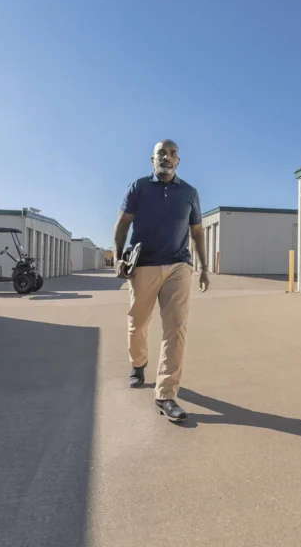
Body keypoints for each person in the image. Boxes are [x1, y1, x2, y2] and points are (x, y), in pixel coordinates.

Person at [113, 139, 210, 422]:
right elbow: (122, 224)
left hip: (179, 265)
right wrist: (118, 257)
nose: (167, 157)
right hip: (144, 265)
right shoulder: (138, 188)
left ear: (178, 161)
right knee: (137, 322)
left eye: (172, 153)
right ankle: (138, 363)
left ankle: (166, 394)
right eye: (161, 153)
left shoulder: (190, 193)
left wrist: (203, 266)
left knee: (176, 328)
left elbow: (198, 232)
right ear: (151, 160)